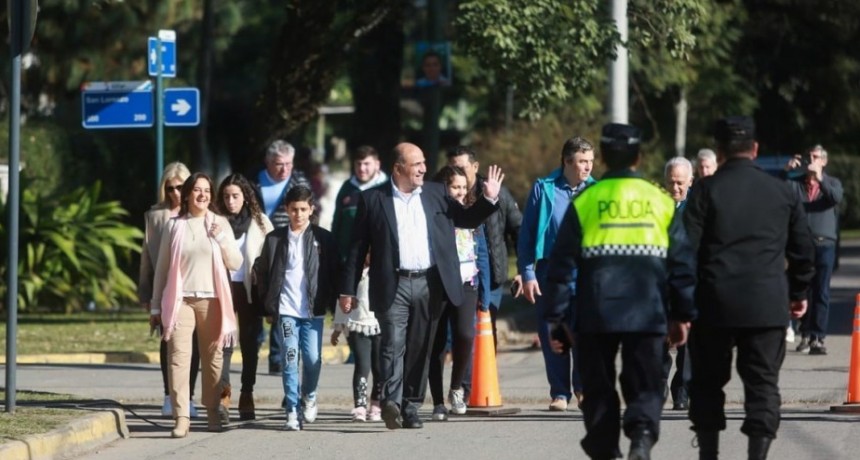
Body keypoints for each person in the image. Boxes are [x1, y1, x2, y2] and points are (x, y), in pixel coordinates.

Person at [543, 123, 696, 460]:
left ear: (605, 158)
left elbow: (560, 265)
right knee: (645, 382)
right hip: (647, 309)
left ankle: (606, 449)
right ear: (639, 158)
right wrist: (683, 314)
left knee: (597, 388)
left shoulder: (586, 200)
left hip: (595, 310)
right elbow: (682, 264)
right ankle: (641, 438)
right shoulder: (659, 200)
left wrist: (556, 318)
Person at [338, 142, 502, 431]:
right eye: (417, 164)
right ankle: (391, 401)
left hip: (429, 282)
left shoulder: (436, 194)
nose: (424, 168)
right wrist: (347, 289)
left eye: (424, 162)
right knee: (392, 344)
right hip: (393, 283)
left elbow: (464, 219)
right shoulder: (373, 199)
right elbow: (356, 247)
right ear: (398, 168)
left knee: (419, 346)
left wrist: (488, 200)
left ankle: (410, 406)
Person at [684, 116, 815, 460]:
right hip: (766, 303)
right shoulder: (782, 191)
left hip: (713, 303)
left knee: (707, 384)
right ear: (755, 149)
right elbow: (803, 250)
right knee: (762, 385)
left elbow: (683, 253)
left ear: (721, 152)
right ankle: (758, 454)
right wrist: (798, 293)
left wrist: (680, 306)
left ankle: (709, 453)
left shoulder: (704, 191)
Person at [151, 172, 243, 438]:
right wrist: (156, 307)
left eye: (207, 191)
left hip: (213, 300)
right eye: (197, 190)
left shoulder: (220, 223)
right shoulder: (174, 226)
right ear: (188, 194)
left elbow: (235, 263)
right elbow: (162, 269)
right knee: (178, 359)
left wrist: (221, 239)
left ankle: (213, 411)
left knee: (213, 360)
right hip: (180, 301)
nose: (202, 195)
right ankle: (182, 417)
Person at [516, 136, 595, 412]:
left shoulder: (597, 190)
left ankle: (584, 388)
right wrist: (527, 273)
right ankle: (560, 393)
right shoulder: (544, 188)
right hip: (551, 270)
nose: (587, 167)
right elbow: (526, 235)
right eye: (582, 161)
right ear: (567, 161)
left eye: (590, 161)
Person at [253, 185, 341, 431]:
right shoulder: (274, 239)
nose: (299, 214)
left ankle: (309, 395)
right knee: (290, 360)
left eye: (303, 209)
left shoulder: (324, 239)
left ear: (311, 209)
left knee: (313, 359)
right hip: (287, 311)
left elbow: (334, 275)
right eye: (294, 209)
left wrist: (339, 310)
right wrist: (269, 307)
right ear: (286, 210)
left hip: (313, 311)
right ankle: (292, 409)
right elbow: (263, 273)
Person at [427, 165, 491, 421]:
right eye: (455, 187)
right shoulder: (433, 212)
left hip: (467, 282)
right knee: (438, 343)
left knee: (465, 334)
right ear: (443, 187)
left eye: (464, 187)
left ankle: (456, 388)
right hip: (438, 283)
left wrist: (484, 290)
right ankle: (438, 402)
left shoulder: (471, 214)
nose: (461, 193)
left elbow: (481, 253)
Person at [138, 162, 201, 419]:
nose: (175, 193)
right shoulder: (156, 216)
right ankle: (169, 395)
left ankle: (189, 397)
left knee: (193, 344)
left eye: (180, 187)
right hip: (165, 290)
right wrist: (145, 293)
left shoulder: (199, 213)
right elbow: (147, 258)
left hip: (195, 287)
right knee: (168, 340)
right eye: (170, 188)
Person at [447, 146, 521, 351]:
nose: (458, 173)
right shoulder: (444, 197)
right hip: (457, 278)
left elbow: (518, 229)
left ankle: (483, 378)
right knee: (459, 334)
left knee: (486, 330)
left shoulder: (496, 191)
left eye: (462, 167)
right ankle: (462, 380)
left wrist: (523, 271)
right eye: (453, 168)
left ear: (475, 166)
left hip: (492, 276)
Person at [215, 173, 274, 422]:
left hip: (251, 291)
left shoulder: (260, 222)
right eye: (226, 196)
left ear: (245, 197)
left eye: (235, 196)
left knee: (251, 345)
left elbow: (273, 258)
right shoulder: (216, 222)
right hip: (224, 289)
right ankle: (223, 393)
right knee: (224, 344)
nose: (231, 201)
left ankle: (246, 392)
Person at [254, 140, 312, 375]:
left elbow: (310, 215)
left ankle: (277, 357)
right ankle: (256, 343)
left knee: (281, 301)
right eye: (279, 164)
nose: (284, 169)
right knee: (258, 298)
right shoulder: (254, 182)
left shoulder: (299, 182)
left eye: (288, 164)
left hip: (286, 247)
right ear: (268, 162)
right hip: (256, 246)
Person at [783, 145, 843, 355]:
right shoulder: (795, 184)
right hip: (801, 246)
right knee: (802, 289)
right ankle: (805, 333)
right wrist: (786, 171)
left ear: (824, 162)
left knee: (821, 291)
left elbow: (835, 198)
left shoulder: (832, 183)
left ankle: (818, 336)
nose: (811, 159)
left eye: (816, 157)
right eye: (810, 156)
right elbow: (778, 194)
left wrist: (821, 179)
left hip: (824, 243)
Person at [331, 255, 383, 422]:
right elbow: (342, 301)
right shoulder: (352, 273)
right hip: (357, 325)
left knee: (380, 367)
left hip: (380, 326)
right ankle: (360, 406)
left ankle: (376, 404)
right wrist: (337, 329)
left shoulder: (383, 270)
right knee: (362, 366)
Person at [662, 157, 695, 412]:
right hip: (659, 282)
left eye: (680, 183)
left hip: (688, 283)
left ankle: (681, 389)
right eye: (671, 182)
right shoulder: (653, 206)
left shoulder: (698, 208)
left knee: (686, 340)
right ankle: (658, 384)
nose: (676, 188)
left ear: (690, 182)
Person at [331, 145, 389, 263]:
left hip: (378, 262)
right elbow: (337, 222)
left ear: (377, 165)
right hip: (346, 259)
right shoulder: (347, 187)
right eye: (358, 163)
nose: (362, 168)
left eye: (367, 164)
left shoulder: (387, 189)